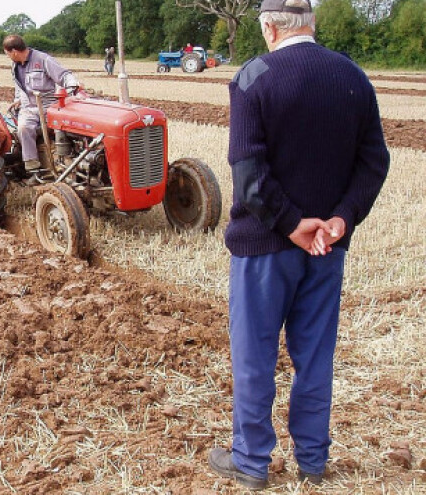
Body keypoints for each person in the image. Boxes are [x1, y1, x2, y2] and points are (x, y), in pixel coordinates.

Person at [207, 0, 390, 490]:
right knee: (315, 355)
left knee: (254, 358)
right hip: (326, 250)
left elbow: (248, 174)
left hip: (264, 248)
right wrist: (340, 219)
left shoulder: (253, 78)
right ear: (312, 23)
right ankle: (312, 460)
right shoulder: (352, 77)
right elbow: (375, 162)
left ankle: (250, 461)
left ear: (268, 27)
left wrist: (290, 224)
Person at [2, 34, 79, 179]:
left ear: (14, 52)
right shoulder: (15, 66)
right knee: (24, 128)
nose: (8, 57)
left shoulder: (43, 60)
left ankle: (65, 162)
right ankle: (33, 169)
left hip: (48, 105)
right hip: (28, 108)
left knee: (64, 127)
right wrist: (18, 99)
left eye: (7, 54)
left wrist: (72, 87)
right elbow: (19, 86)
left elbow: (64, 75)